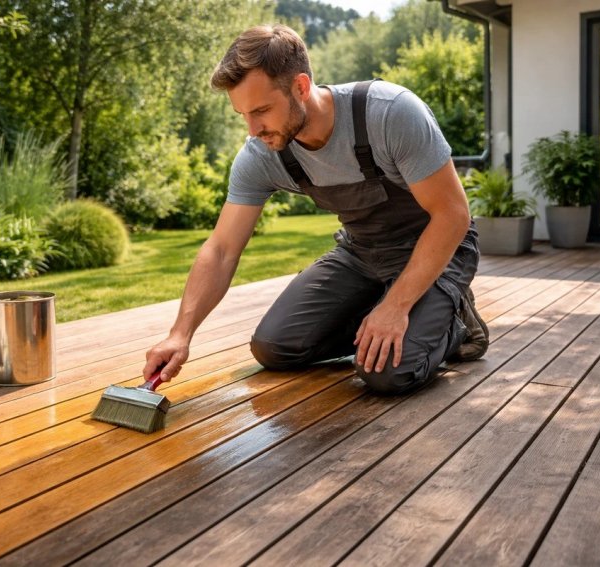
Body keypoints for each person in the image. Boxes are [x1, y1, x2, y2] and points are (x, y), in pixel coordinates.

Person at [143, 24, 488, 395]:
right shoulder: (262, 153)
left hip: (439, 249)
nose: (253, 128)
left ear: (301, 87)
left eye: (261, 110)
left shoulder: (389, 113)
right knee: (274, 347)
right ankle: (390, 313)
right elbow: (222, 249)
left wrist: (397, 306)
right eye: (242, 114)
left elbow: (453, 214)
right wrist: (180, 334)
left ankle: (454, 323)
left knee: (386, 373)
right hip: (363, 253)